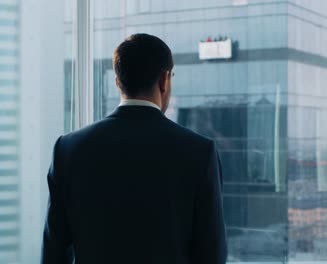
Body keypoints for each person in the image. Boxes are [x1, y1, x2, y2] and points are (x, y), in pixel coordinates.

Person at [41, 33, 227, 264]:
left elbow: (54, 252)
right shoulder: (199, 152)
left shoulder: (68, 149)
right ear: (164, 80)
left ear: (118, 81)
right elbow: (211, 255)